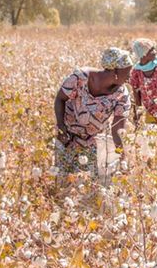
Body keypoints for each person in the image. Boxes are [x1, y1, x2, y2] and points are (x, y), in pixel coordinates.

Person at [54, 47, 133, 176]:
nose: (130, 77)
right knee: (63, 178)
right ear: (115, 72)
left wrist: (122, 157)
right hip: (67, 136)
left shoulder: (121, 95)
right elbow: (60, 99)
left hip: (91, 141)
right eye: (127, 72)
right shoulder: (80, 78)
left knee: (88, 183)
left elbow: (118, 129)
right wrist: (61, 128)